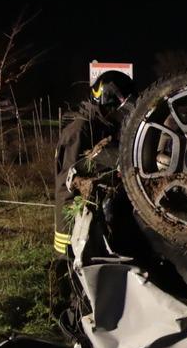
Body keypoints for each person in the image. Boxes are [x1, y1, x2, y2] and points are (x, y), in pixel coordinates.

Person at [52, 70, 134, 253]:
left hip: (92, 212)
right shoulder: (78, 131)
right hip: (73, 218)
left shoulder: (102, 126)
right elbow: (67, 181)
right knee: (71, 267)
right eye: (118, 110)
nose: (121, 115)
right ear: (107, 103)